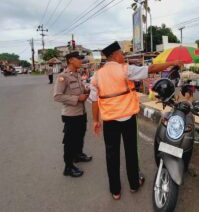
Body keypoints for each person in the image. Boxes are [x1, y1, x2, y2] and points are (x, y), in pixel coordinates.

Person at [89, 41, 183, 200]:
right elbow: (151, 69)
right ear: (115, 55)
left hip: (110, 121)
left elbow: (94, 100)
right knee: (131, 152)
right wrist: (173, 62)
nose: (123, 56)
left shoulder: (97, 75)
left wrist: (95, 121)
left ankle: (115, 191)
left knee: (111, 155)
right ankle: (134, 184)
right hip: (128, 118)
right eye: (122, 54)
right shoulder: (126, 69)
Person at [53, 52, 92, 178]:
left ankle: (78, 155)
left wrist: (85, 90)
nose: (81, 60)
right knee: (70, 141)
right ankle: (68, 167)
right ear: (70, 60)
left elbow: (78, 90)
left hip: (81, 112)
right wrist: (77, 98)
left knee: (80, 135)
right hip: (71, 115)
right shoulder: (63, 77)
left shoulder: (78, 74)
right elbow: (57, 96)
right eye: (78, 58)